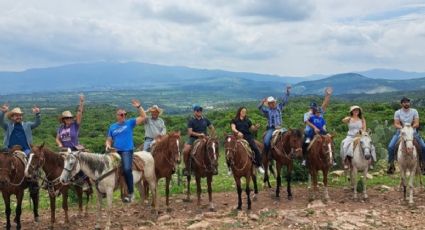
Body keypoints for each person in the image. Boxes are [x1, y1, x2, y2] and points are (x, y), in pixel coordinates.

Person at [105, 99, 145, 203]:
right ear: (117, 115)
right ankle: (105, 189)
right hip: (115, 151)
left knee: (127, 169)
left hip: (127, 150)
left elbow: (143, 117)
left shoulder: (130, 123)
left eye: (124, 114)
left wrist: (138, 107)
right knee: (105, 167)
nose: (123, 116)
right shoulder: (112, 127)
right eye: (121, 115)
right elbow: (109, 140)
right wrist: (108, 145)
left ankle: (131, 193)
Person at [0, 104, 41, 199]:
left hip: (25, 149)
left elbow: (37, 123)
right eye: (16, 115)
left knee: (31, 162)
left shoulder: (27, 125)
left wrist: (37, 114)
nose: (19, 117)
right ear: (12, 117)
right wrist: (3, 112)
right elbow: (0, 121)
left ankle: (32, 182)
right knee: (2, 162)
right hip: (10, 149)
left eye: (20, 115)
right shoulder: (8, 126)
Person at [56, 94, 92, 192]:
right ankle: (56, 183)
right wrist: (60, 144)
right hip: (64, 150)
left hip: (74, 148)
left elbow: (79, 114)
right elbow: (57, 139)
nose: (69, 119)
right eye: (67, 118)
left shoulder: (75, 125)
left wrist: (81, 103)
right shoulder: (60, 128)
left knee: (78, 165)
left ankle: (83, 181)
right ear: (63, 119)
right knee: (56, 164)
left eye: (70, 118)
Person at [387, 97, 425, 174]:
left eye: (407, 102)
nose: (406, 103)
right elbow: (396, 124)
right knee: (390, 147)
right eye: (404, 102)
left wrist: (411, 127)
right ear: (401, 104)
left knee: (423, 146)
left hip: (412, 132)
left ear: (409, 103)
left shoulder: (414, 111)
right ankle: (391, 165)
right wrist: (403, 128)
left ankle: (423, 165)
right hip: (401, 132)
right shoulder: (397, 112)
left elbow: (417, 123)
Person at [258, 85, 291, 160]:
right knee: (266, 142)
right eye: (270, 103)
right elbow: (259, 108)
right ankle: (267, 155)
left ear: (274, 102)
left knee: (290, 136)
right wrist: (262, 102)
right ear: (268, 104)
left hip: (280, 127)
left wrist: (287, 92)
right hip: (271, 129)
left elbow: (284, 101)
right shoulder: (267, 111)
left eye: (272, 102)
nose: (271, 104)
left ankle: (290, 153)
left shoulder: (279, 107)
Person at [302, 87, 333, 166]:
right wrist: (314, 128)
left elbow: (325, 104)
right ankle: (304, 158)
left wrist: (328, 95)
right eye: (311, 108)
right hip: (309, 131)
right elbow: (306, 122)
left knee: (330, 141)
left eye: (313, 108)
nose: (312, 109)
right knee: (304, 143)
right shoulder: (307, 114)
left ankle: (332, 158)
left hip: (320, 130)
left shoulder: (319, 113)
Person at [182, 104, 215, 176]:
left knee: (213, 147)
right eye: (197, 110)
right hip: (193, 138)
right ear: (194, 112)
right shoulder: (191, 121)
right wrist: (199, 135)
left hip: (205, 138)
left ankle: (214, 166)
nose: (199, 112)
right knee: (186, 150)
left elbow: (212, 127)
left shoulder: (205, 119)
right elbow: (190, 132)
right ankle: (187, 168)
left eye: (200, 110)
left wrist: (210, 136)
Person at [230, 107, 264, 174]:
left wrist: (256, 127)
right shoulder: (234, 120)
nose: (244, 113)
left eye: (245, 112)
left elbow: (252, 129)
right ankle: (230, 168)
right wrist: (237, 132)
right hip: (238, 137)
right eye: (243, 111)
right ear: (239, 111)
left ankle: (259, 165)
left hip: (247, 136)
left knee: (255, 148)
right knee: (230, 150)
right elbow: (233, 128)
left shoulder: (248, 120)